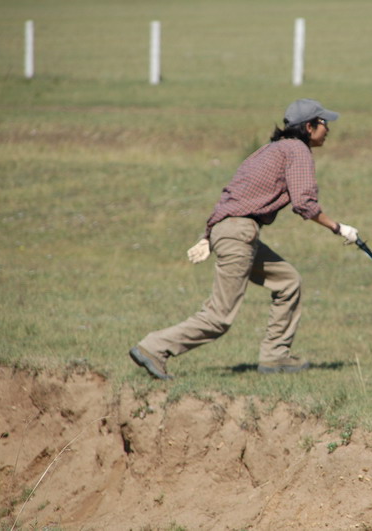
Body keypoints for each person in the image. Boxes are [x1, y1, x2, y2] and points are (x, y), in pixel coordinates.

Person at [129, 99, 359, 380]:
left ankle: (275, 356)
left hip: (234, 231)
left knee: (288, 281)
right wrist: (339, 228)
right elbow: (304, 203)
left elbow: (233, 193)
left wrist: (208, 235)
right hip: (239, 235)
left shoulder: (267, 151)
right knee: (219, 317)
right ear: (309, 127)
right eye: (324, 123)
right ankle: (153, 348)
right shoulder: (298, 150)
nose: (328, 129)